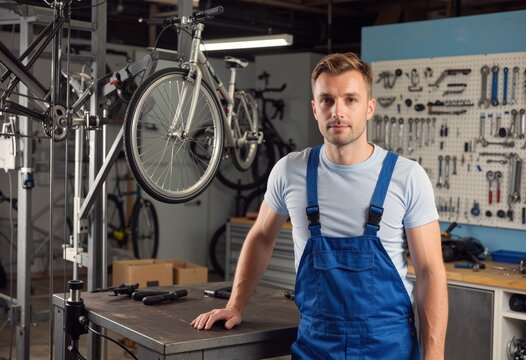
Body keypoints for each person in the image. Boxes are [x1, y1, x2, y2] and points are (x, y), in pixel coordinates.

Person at [191, 52, 448, 359]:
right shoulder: (290, 171)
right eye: (327, 100)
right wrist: (235, 304)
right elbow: (261, 237)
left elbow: (431, 272)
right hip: (317, 345)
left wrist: (434, 355)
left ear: (369, 107)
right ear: (315, 108)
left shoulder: (407, 176)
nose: (337, 111)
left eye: (350, 99)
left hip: (388, 347)